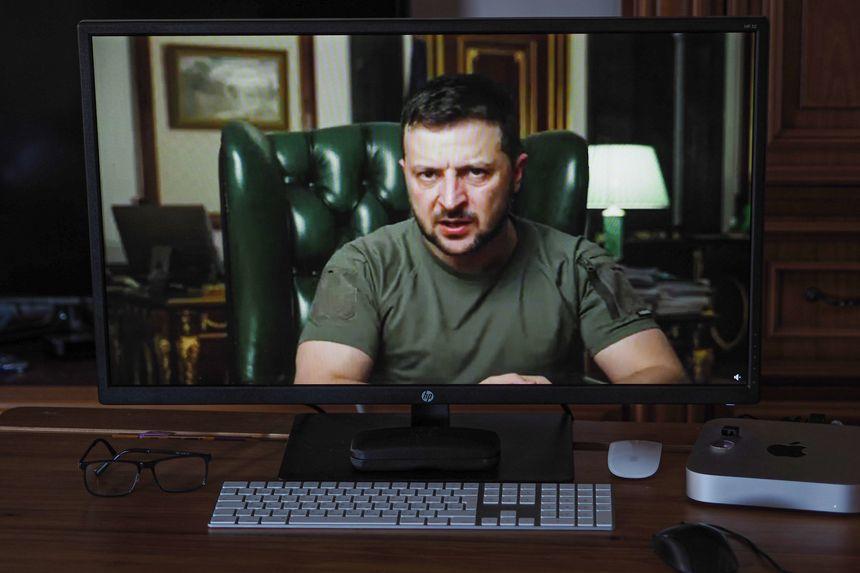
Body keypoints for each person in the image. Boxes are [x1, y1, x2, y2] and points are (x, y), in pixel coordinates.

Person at [295, 74, 685, 386]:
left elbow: (662, 376)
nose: (450, 200)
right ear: (406, 175)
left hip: (535, 455)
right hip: (407, 457)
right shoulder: (361, 266)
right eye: (428, 175)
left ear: (516, 173)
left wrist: (551, 401)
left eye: (475, 173)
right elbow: (321, 387)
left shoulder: (579, 265)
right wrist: (466, 412)